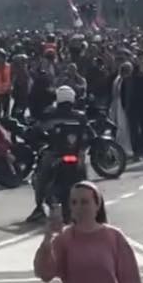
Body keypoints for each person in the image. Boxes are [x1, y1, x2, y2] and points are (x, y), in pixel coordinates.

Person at [25, 86, 90, 223]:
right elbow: (89, 135)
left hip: (55, 154)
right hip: (76, 154)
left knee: (40, 178)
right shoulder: (80, 116)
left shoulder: (49, 114)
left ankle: (39, 207)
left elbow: (35, 131)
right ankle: (90, 203)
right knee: (85, 177)